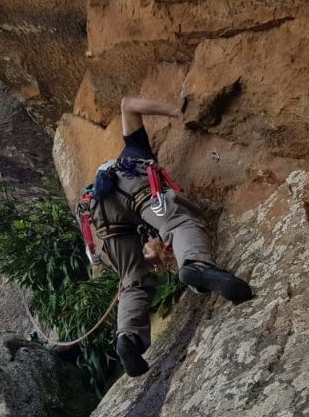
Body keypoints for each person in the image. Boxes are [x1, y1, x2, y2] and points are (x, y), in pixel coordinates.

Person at [81, 96, 254, 377]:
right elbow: (127, 104)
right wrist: (176, 110)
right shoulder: (135, 148)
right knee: (179, 222)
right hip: (131, 181)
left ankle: (128, 339)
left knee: (131, 278)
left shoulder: (120, 204)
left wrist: (149, 255)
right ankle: (197, 266)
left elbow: (147, 251)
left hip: (97, 208)